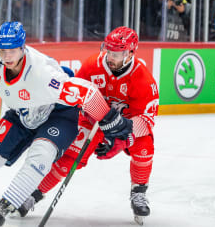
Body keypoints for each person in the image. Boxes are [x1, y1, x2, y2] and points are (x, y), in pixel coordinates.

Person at [0, 21, 133, 226]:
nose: (7, 57)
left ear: (23, 47)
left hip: (58, 114)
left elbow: (88, 93)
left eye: (12, 51)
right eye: (3, 51)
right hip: (22, 113)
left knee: (41, 154)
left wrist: (109, 119)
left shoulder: (44, 75)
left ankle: (8, 202)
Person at [15, 26, 159, 225]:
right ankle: (34, 193)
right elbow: (75, 95)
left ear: (130, 53)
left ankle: (138, 191)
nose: (111, 57)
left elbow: (146, 119)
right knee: (70, 158)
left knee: (144, 146)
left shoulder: (143, 78)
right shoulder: (93, 65)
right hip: (92, 120)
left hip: (124, 125)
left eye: (118, 53)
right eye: (109, 51)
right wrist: (90, 116)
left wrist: (121, 140)